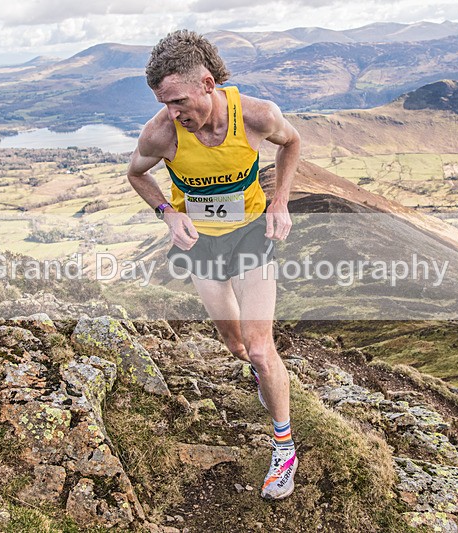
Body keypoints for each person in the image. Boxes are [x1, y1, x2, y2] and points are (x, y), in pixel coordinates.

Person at [126, 29, 301, 500]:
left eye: (179, 100)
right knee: (237, 345)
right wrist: (168, 214)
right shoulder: (161, 133)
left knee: (262, 348)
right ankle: (259, 371)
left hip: (249, 236)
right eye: (165, 103)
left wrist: (280, 202)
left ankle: (283, 447)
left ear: (207, 82)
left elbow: (293, 143)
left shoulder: (257, 117)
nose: (173, 113)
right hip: (201, 245)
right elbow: (135, 174)